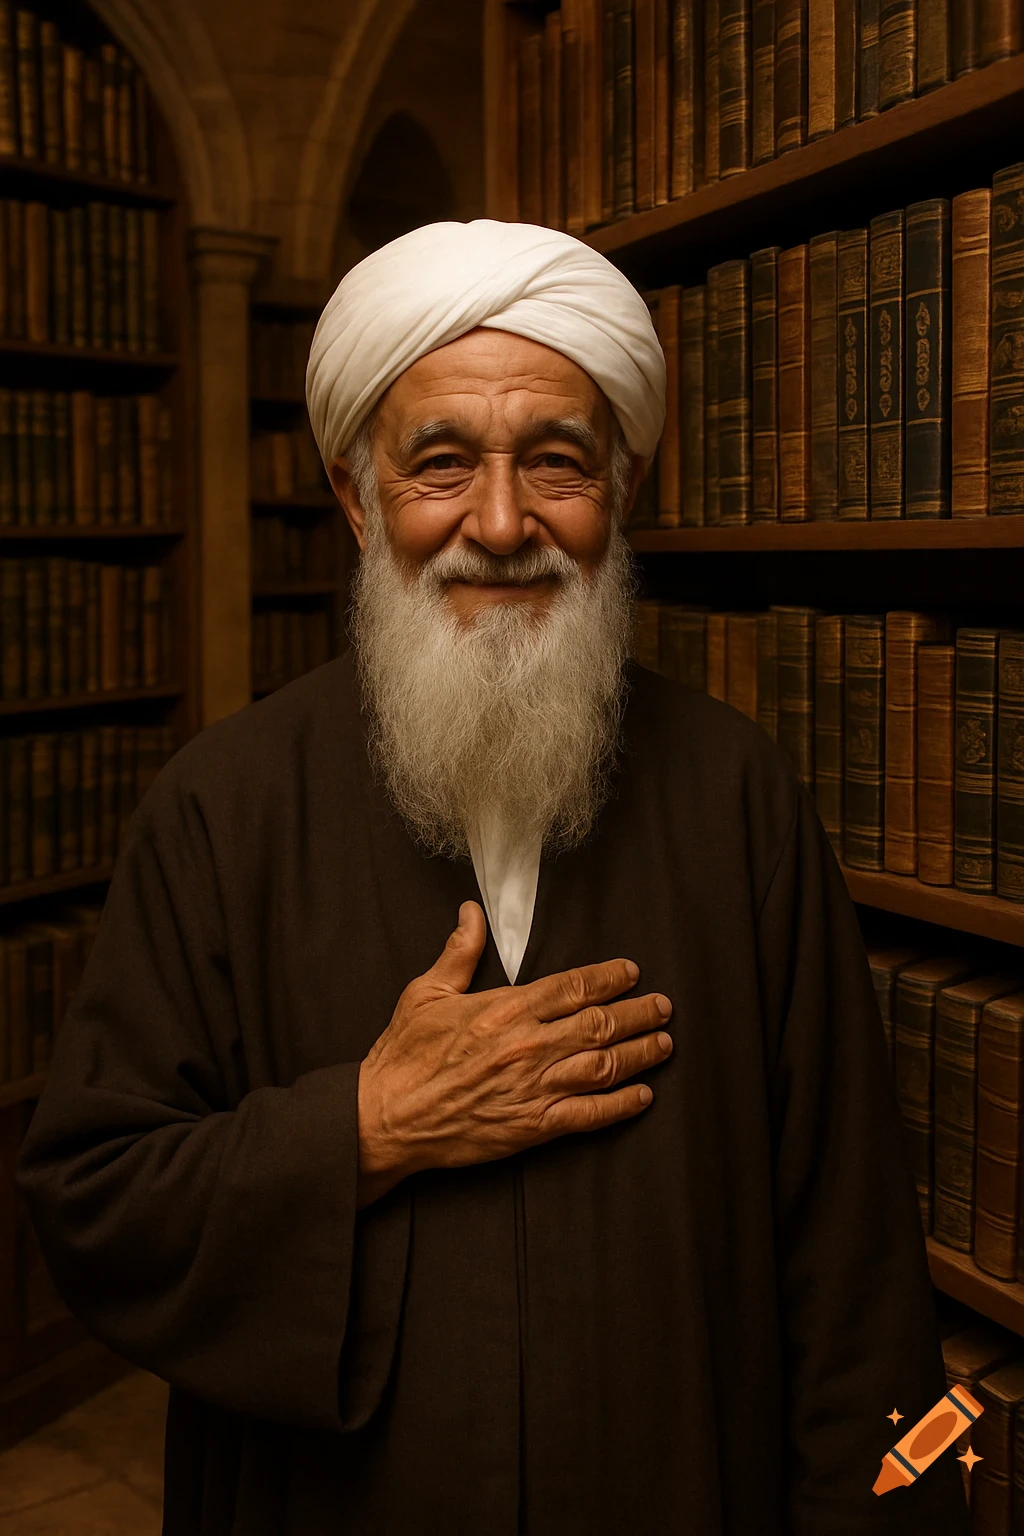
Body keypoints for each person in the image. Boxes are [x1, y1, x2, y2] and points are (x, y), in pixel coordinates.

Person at [17, 220, 968, 1535]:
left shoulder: (735, 793)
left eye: (558, 464)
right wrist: (364, 1126)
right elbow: (93, 1203)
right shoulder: (223, 808)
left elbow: (853, 1262)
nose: (505, 524)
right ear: (358, 499)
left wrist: (896, 1515)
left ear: (620, 492)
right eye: (443, 465)